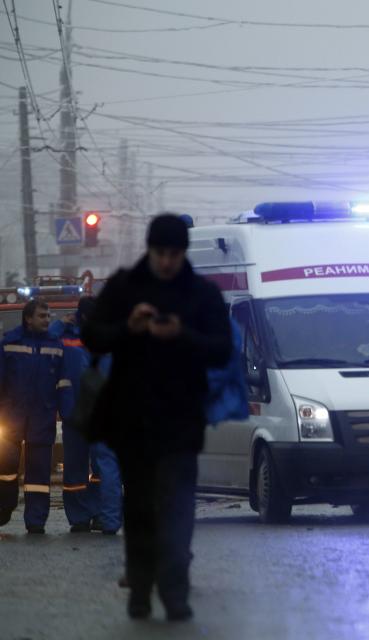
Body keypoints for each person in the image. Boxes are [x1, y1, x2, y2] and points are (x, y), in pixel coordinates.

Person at [83, 214, 231, 621]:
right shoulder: (124, 287)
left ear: (183, 253)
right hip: (133, 421)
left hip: (181, 422)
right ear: (149, 250)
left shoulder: (201, 294)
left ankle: (175, 592)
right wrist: (128, 328)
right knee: (141, 508)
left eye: (174, 254)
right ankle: (140, 589)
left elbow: (221, 348)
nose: (167, 262)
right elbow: (92, 335)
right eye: (160, 253)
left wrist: (182, 334)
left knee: (179, 509)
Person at [50, 298, 123, 535]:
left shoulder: (67, 337)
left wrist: (61, 323)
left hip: (76, 412)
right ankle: (105, 519)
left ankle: (82, 517)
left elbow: (47, 340)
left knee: (77, 469)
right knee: (103, 468)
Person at [0, 298, 72, 534]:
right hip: (11, 418)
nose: (47, 320)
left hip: (42, 417)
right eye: (42, 316)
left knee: (39, 476)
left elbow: (63, 383)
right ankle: (3, 510)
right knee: (6, 471)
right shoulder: (9, 343)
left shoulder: (56, 345)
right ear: (28, 318)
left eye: (49, 316)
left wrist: (66, 412)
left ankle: (36, 522)